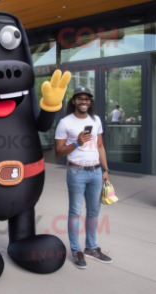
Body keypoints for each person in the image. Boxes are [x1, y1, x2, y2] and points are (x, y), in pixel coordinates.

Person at [55, 86, 112, 269]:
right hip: (76, 172)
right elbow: (58, 152)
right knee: (75, 213)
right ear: (73, 101)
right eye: (80, 98)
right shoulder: (65, 123)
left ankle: (91, 248)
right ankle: (76, 250)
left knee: (94, 213)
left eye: (87, 99)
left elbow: (100, 146)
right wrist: (76, 143)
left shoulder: (96, 120)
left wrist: (105, 170)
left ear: (90, 101)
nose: (84, 101)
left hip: (96, 172)